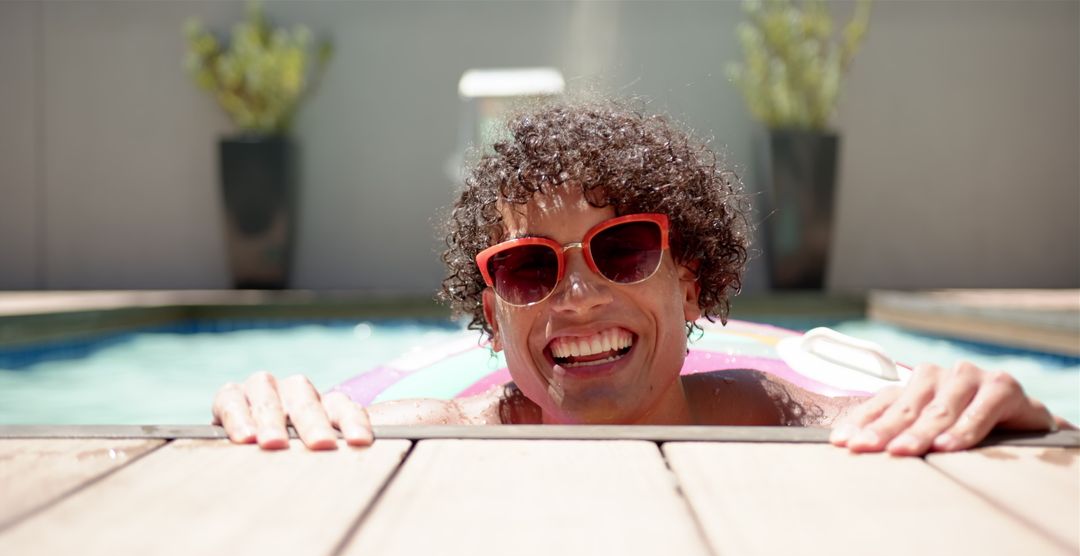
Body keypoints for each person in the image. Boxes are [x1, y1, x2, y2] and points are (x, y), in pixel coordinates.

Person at [212, 99, 1069, 455]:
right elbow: (326, 429)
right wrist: (271, 412)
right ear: (493, 314)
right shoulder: (446, 427)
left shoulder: (774, 409)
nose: (577, 297)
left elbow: (944, 424)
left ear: (690, 283)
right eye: (527, 269)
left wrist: (1017, 416)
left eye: (622, 251)